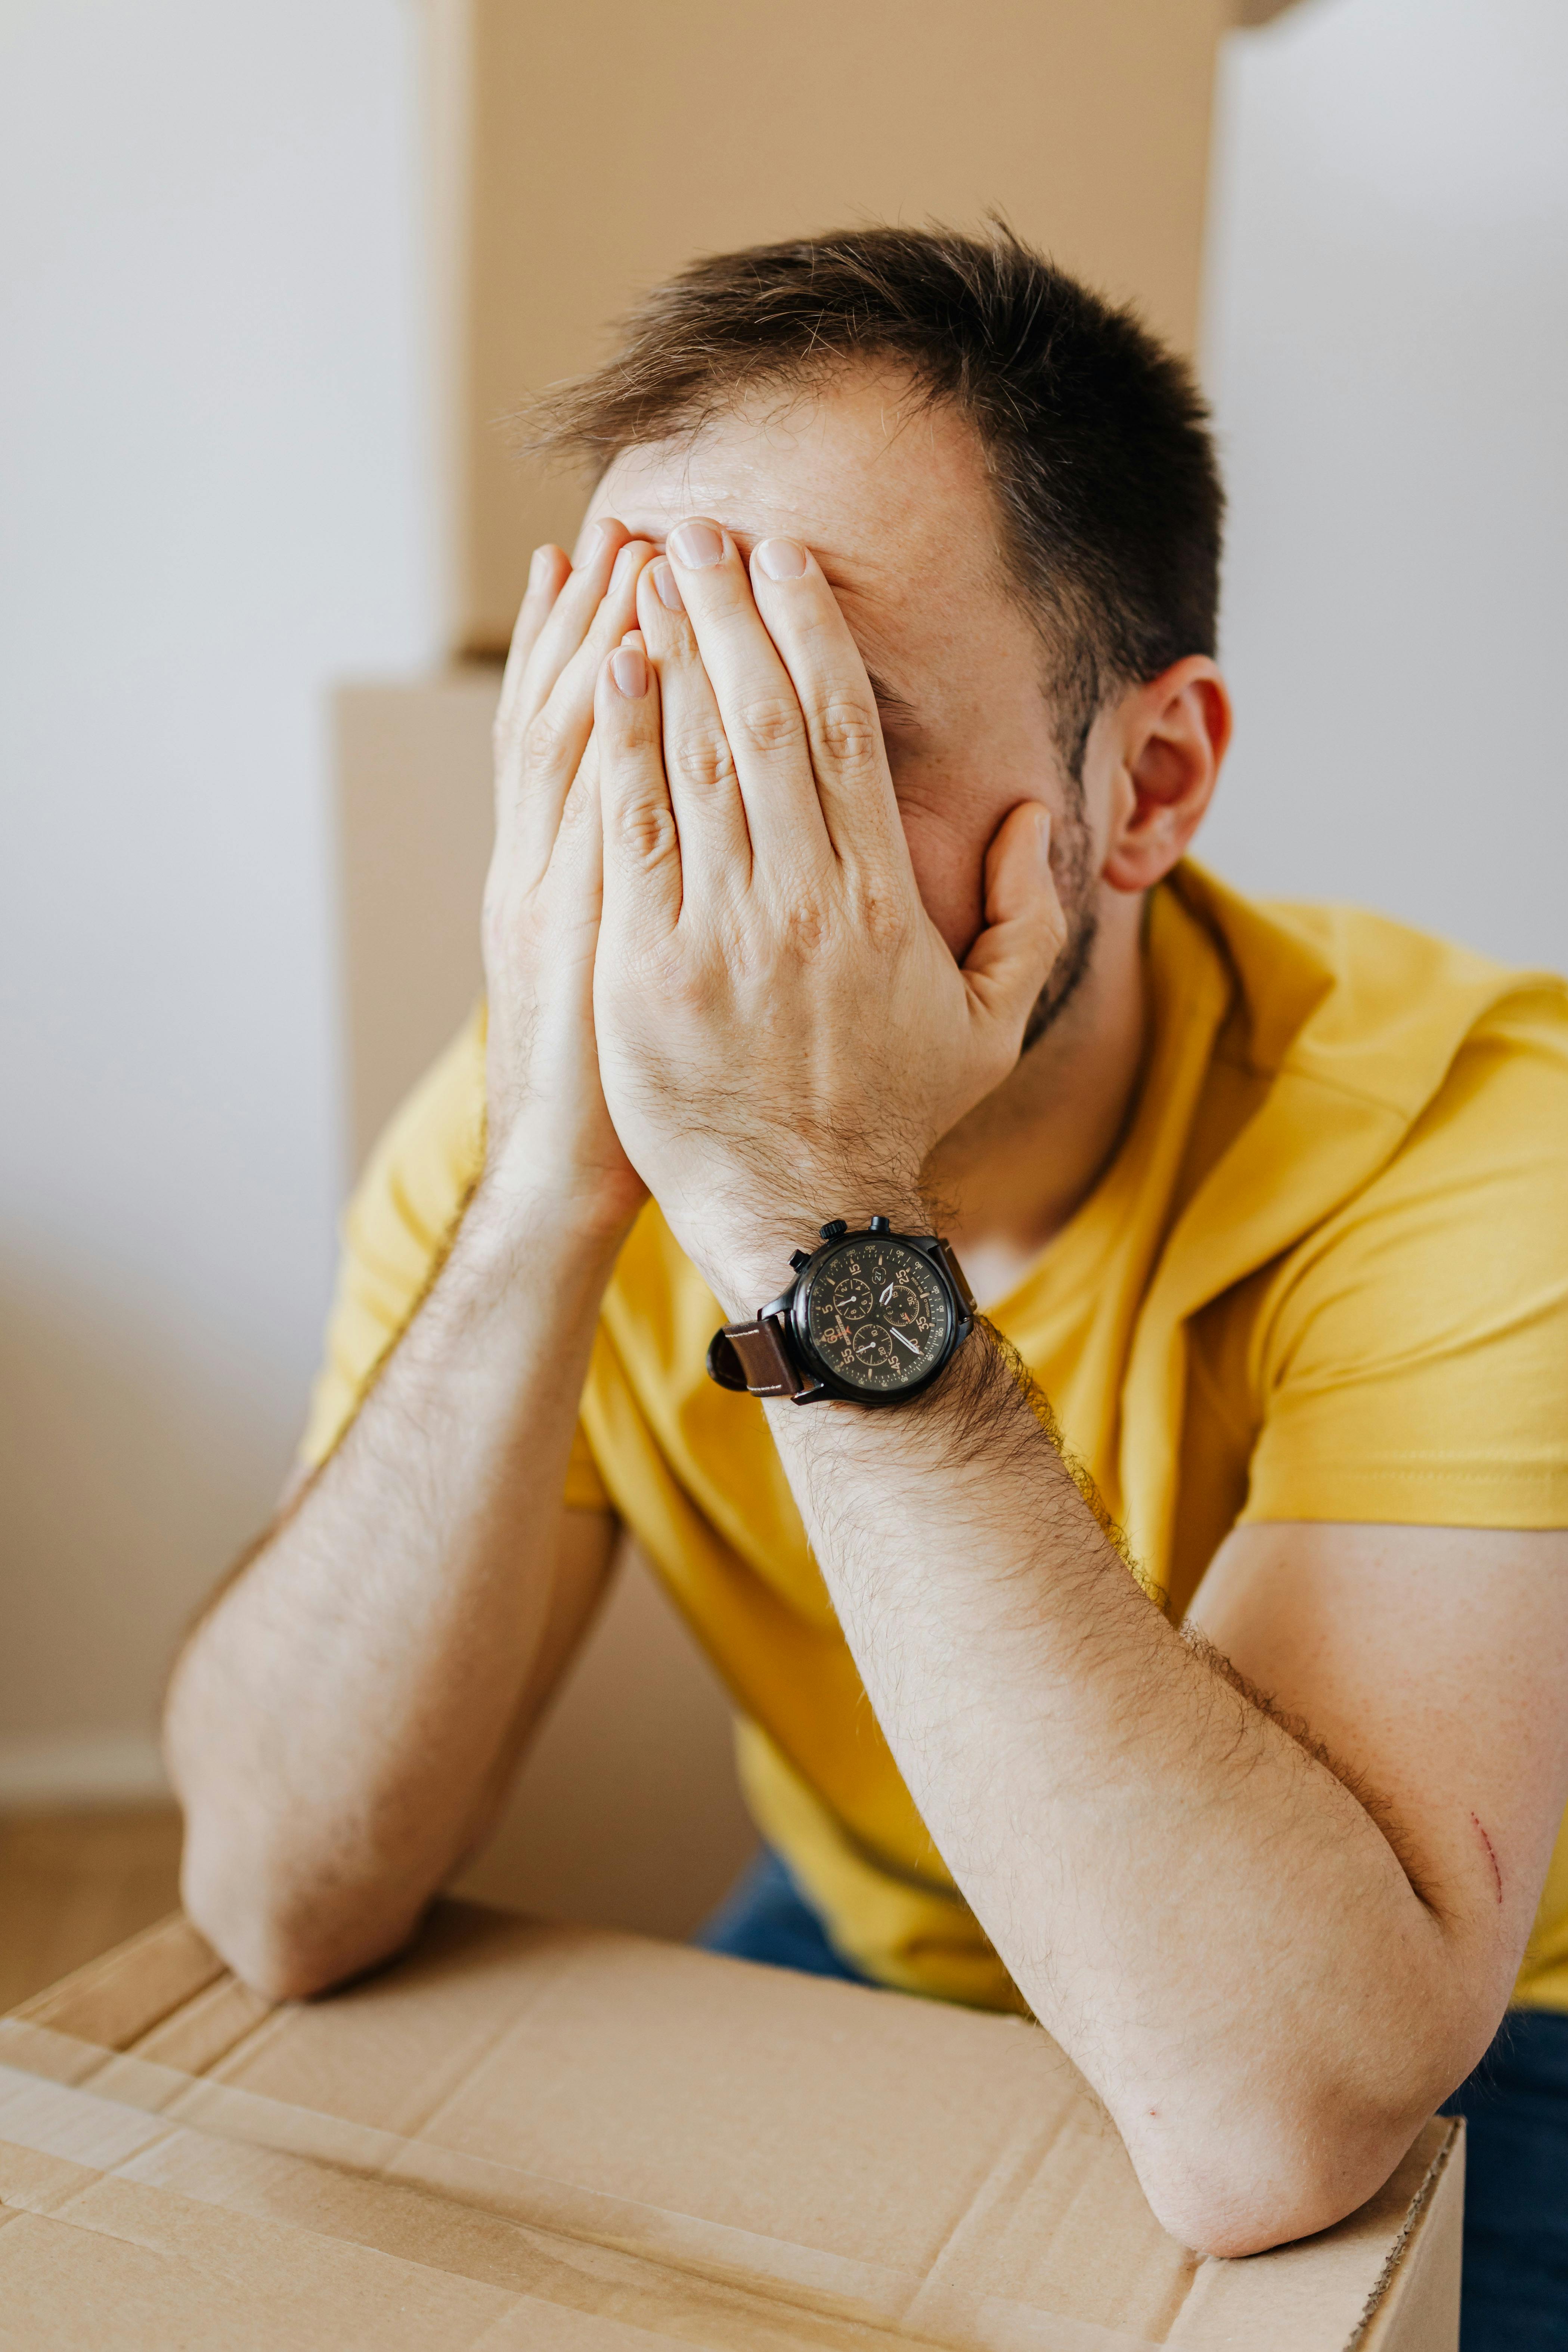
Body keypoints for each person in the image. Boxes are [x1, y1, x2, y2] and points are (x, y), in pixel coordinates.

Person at [164, 227, 1568, 2333]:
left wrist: (805, 1201)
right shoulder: (543, 1107)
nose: (693, 846)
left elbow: (1275, 2119)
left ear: (1147, 782)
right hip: (899, 1929)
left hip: (1460, 2029)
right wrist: (551, 1184)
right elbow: (274, 1894)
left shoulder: (1480, 1146)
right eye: (639, 714)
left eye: (822, 734)